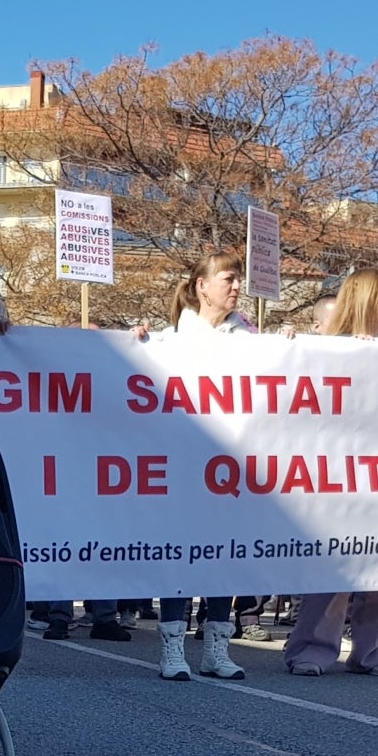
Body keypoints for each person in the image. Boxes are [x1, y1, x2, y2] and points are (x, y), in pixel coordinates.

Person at [132, 249, 250, 679]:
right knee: (180, 556)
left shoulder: (251, 341)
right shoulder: (169, 341)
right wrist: (134, 341)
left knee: (224, 557)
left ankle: (216, 649)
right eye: (229, 279)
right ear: (203, 286)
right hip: (183, 469)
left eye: (238, 280)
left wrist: (293, 344)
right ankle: (172, 648)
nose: (237, 287)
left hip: (230, 470)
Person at [284, 269, 378, 677]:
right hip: (335, 474)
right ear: (370, 301)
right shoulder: (323, 350)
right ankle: (312, 650)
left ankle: (370, 652)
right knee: (334, 570)